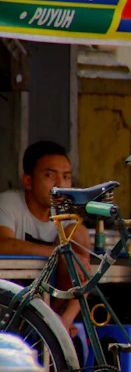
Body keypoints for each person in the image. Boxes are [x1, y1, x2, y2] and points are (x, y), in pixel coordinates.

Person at [0, 140, 90, 330]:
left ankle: (57, 320)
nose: (60, 184)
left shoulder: (68, 216)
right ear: (28, 181)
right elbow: (3, 243)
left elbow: (84, 270)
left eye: (66, 177)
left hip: (52, 306)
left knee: (79, 235)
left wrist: (65, 322)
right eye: (50, 175)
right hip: (8, 301)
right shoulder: (9, 203)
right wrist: (58, 253)